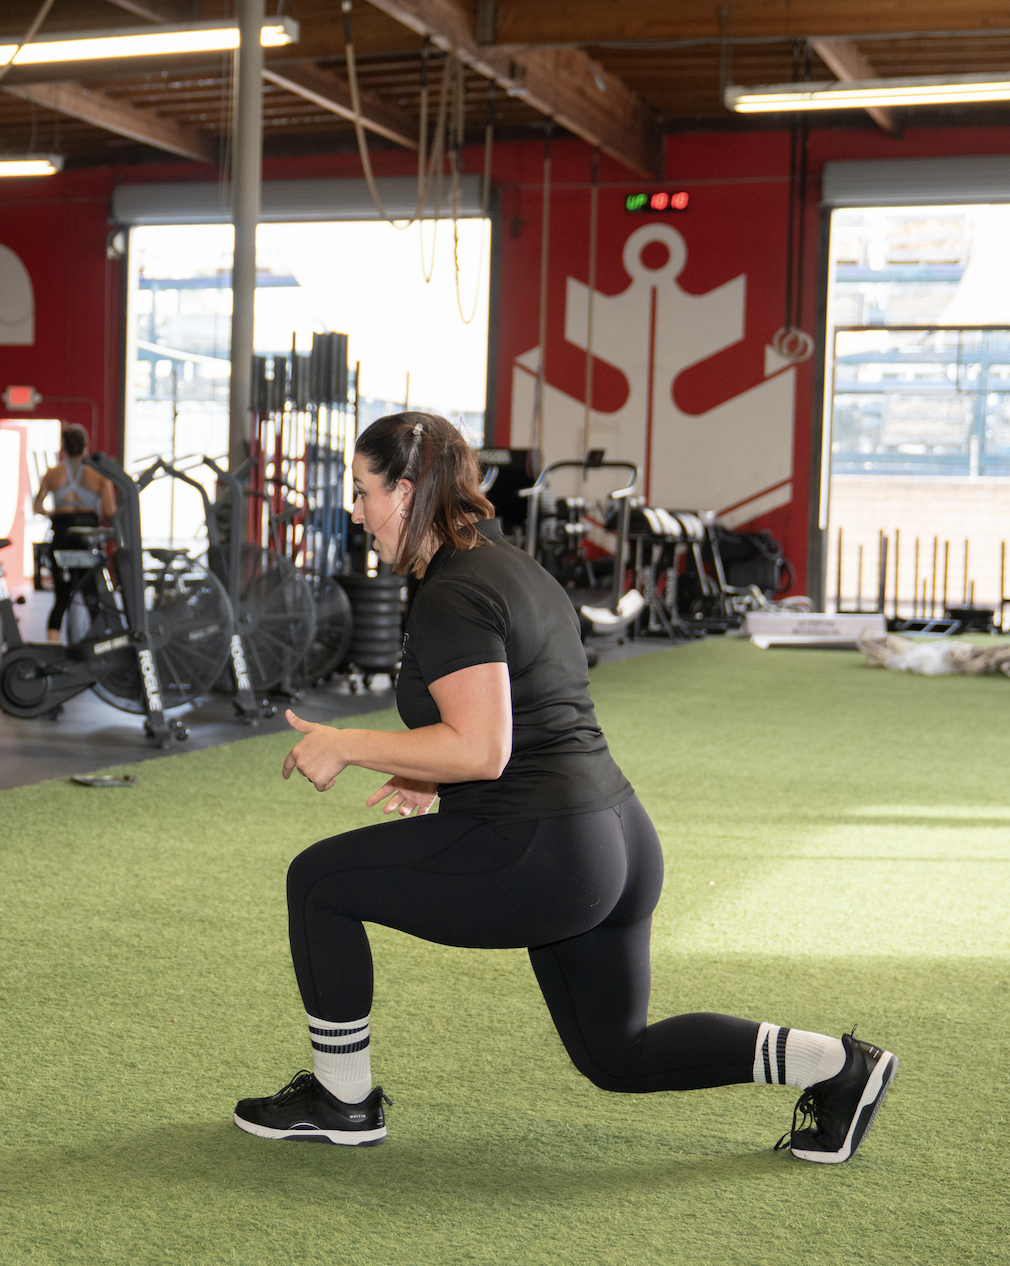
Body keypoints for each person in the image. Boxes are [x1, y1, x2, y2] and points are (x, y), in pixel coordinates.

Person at [233, 412, 897, 1162]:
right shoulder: (507, 563)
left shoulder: (449, 595)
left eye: (361, 492)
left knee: (318, 883)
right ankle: (841, 1067)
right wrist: (423, 765)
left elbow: (483, 749)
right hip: (616, 838)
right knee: (616, 1055)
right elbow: (526, 712)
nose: (356, 513)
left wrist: (347, 743)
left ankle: (342, 1101)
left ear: (408, 491)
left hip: (541, 849)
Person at [31, 426, 116, 642]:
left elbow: (37, 506)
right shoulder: (99, 476)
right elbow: (109, 511)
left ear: (64, 447)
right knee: (91, 597)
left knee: (60, 599)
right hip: (86, 540)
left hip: (62, 537)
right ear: (86, 445)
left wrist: (54, 513)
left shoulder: (52, 474)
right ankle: (98, 645)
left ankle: (52, 649)